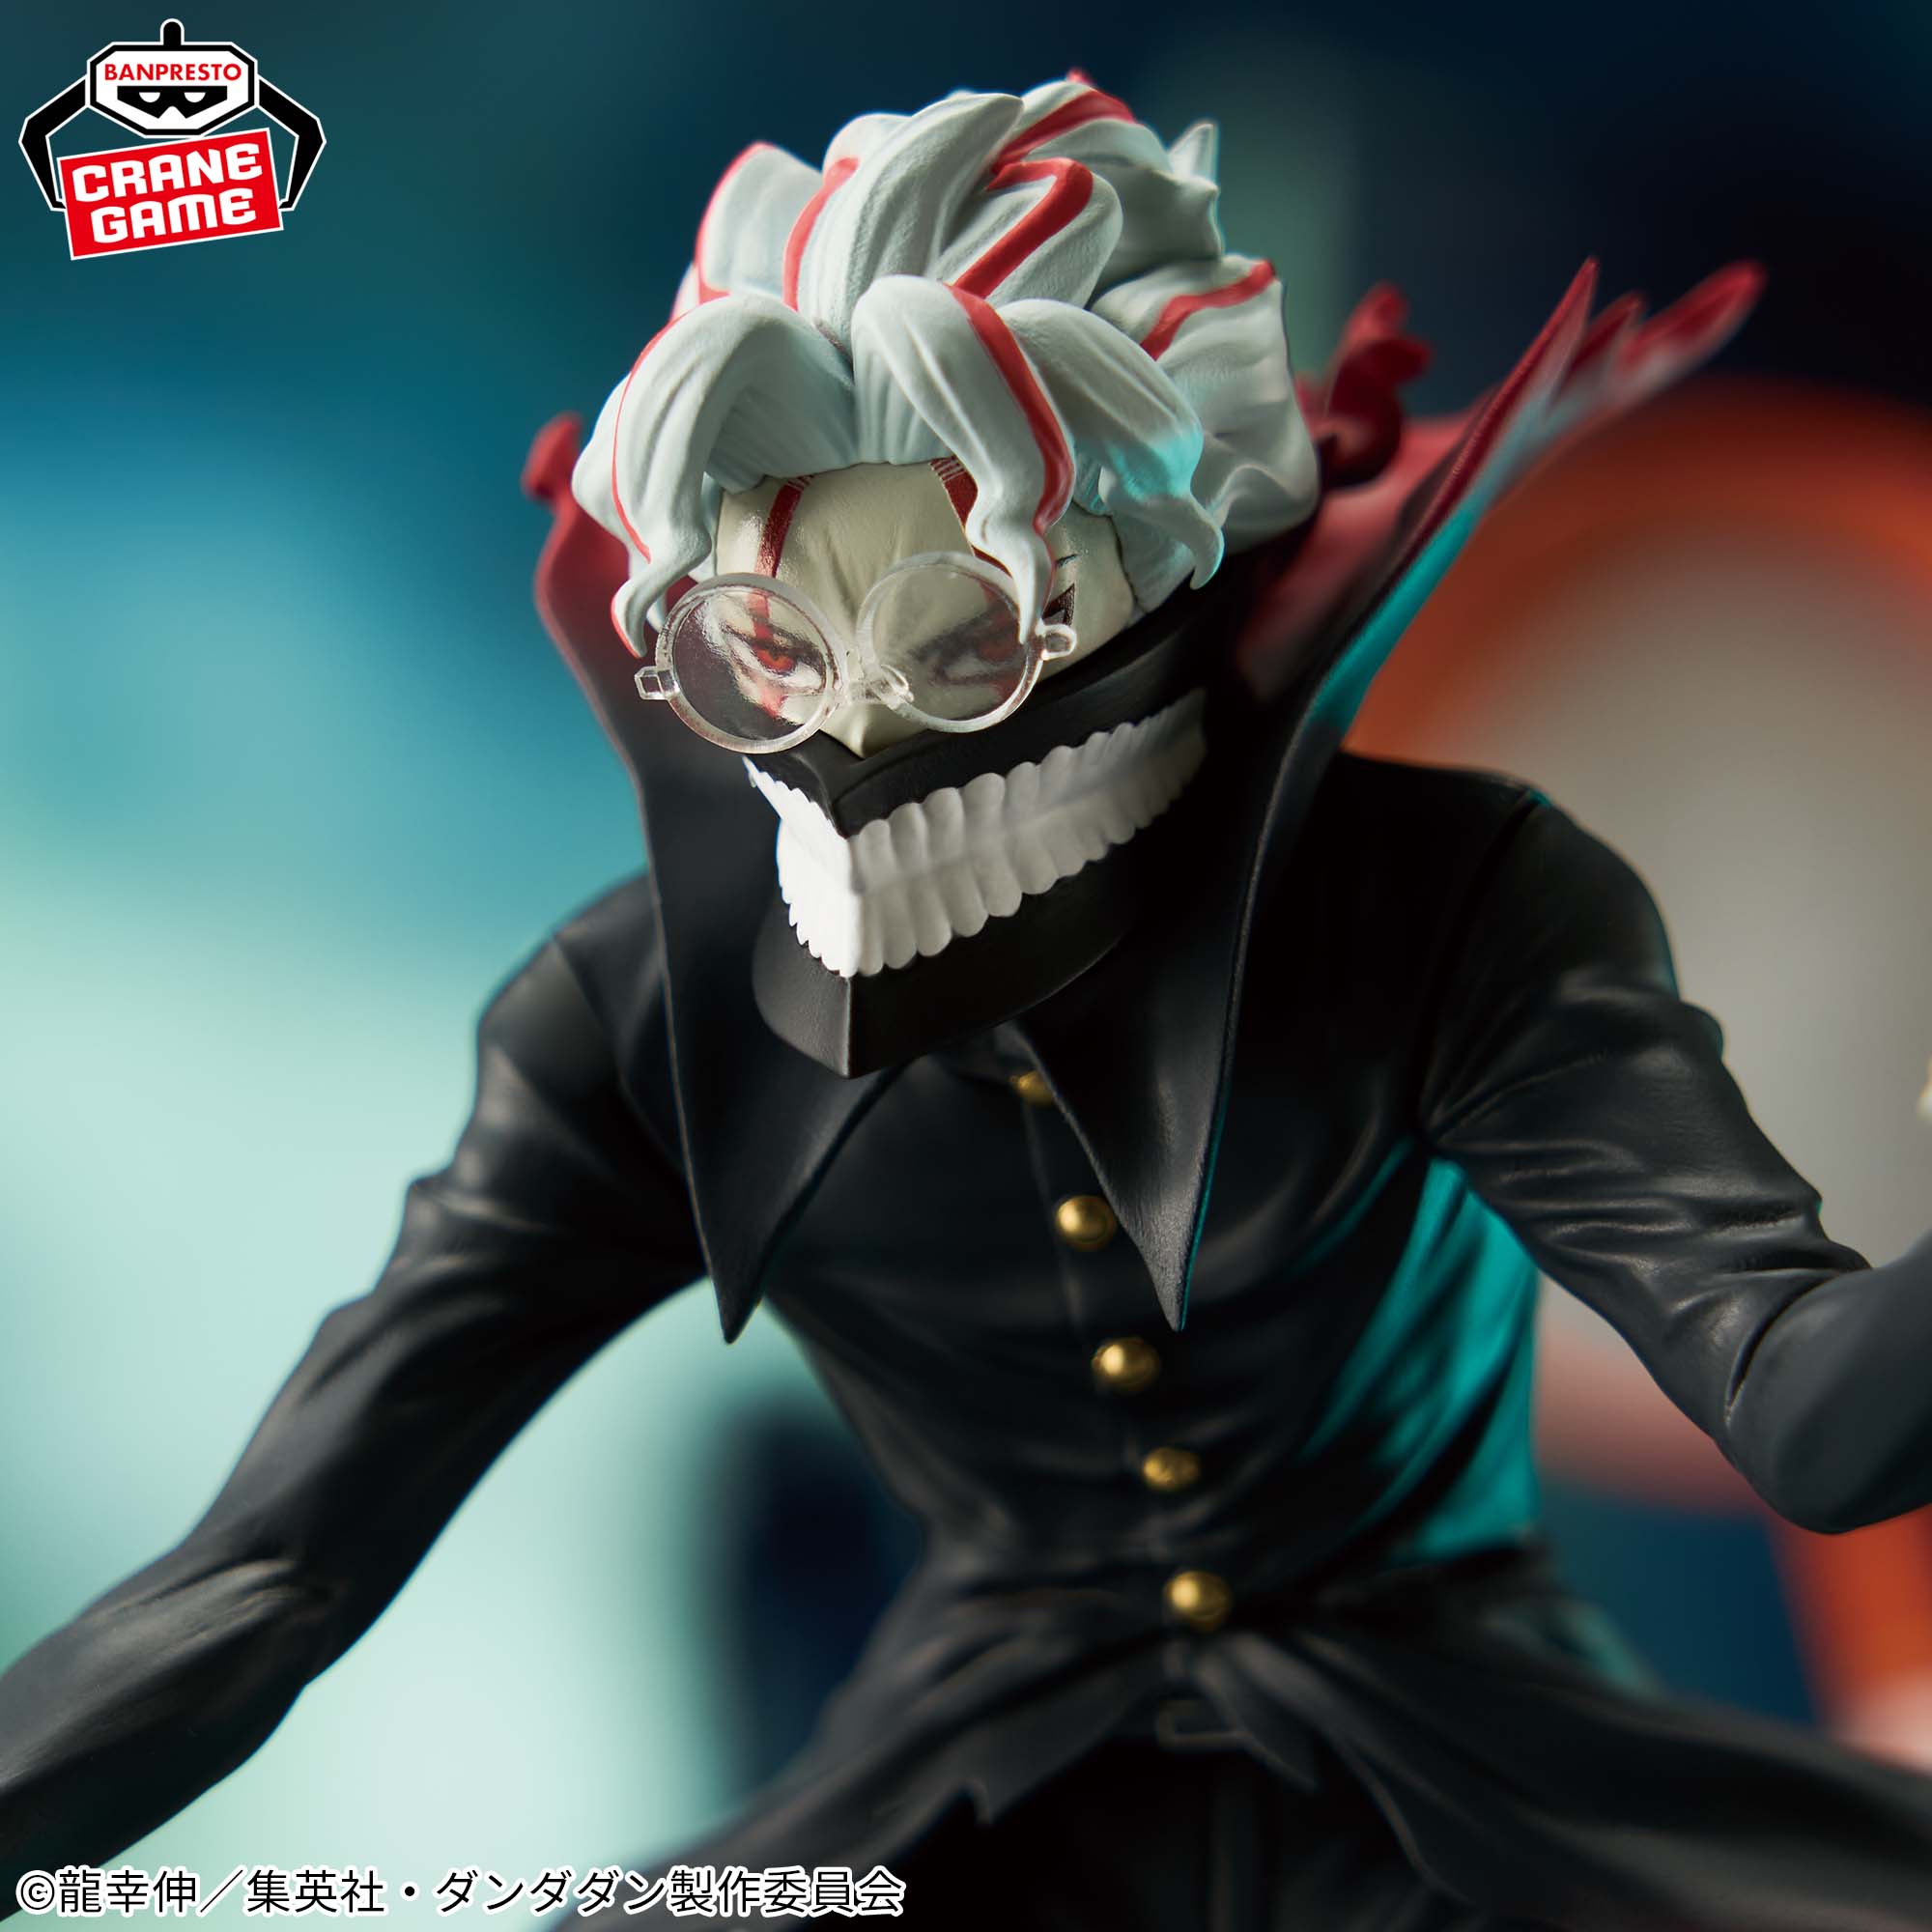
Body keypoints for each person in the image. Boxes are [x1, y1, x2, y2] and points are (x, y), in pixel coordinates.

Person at [6, 76, 1932, 1931]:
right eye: (771, 652)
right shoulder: (645, 1020)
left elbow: (1803, 1406)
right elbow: (277, 1566)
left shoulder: (1445, 905)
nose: (860, 746)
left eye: (961, 640)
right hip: (948, 1803)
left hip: (1493, 1783)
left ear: (1164, 583)